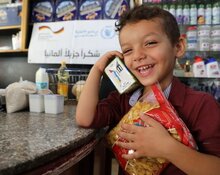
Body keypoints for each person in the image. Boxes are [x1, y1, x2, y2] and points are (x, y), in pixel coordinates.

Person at [76, 5, 220, 175]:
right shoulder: (124, 100)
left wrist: (167, 148)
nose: (137, 56)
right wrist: (97, 70)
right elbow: (85, 119)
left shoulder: (201, 105)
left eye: (150, 43)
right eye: (128, 50)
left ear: (179, 47)